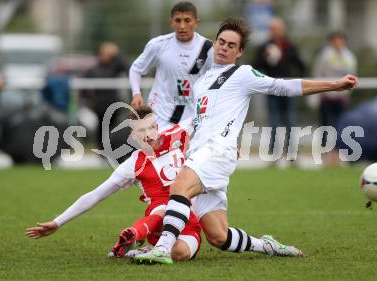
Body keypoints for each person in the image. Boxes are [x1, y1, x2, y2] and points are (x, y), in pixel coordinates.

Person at [135, 17, 358, 264]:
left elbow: (282, 86)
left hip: (216, 153)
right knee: (218, 236)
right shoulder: (203, 82)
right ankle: (266, 245)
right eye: (221, 42)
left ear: (239, 52)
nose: (224, 47)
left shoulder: (243, 74)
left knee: (180, 187)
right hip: (204, 153)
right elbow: (199, 122)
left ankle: (162, 248)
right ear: (215, 43)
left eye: (231, 45)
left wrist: (334, 85)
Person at [26, 106, 202, 262]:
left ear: (157, 127)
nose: (147, 134)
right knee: (164, 206)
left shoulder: (178, 134)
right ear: (133, 135)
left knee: (180, 254)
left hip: (189, 220)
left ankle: (141, 245)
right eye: (141, 131)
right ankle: (135, 235)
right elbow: (96, 194)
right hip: (158, 222)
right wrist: (58, 222)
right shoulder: (132, 164)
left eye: (151, 128)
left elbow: (205, 114)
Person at [129, 1, 213, 131]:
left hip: (192, 117)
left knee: (190, 152)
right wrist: (136, 93)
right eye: (178, 20)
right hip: (160, 114)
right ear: (171, 22)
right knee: (156, 150)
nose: (182, 26)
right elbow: (136, 69)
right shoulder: (158, 45)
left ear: (197, 22)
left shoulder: (208, 48)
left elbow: (217, 79)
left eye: (187, 20)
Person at [253, 17, 305, 158]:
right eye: (272, 29)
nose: (275, 32)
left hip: (288, 90)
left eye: (277, 29)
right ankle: (274, 153)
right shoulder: (264, 47)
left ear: (283, 30)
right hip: (272, 89)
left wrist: (296, 81)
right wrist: (265, 58)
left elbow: (300, 65)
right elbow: (255, 66)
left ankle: (291, 152)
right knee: (274, 122)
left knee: (290, 121)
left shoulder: (289, 46)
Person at [313, 31, 357, 165]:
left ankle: (339, 154)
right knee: (326, 126)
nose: (338, 42)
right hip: (326, 96)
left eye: (340, 39)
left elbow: (352, 74)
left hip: (341, 97)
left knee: (341, 126)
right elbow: (318, 73)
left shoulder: (349, 56)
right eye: (335, 40)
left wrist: (347, 92)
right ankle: (326, 154)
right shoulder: (325, 55)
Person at [82, 42, 128, 150]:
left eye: (109, 55)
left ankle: (113, 151)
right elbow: (84, 87)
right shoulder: (93, 70)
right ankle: (102, 152)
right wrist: (90, 102)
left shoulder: (115, 67)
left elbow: (126, 66)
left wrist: (117, 54)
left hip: (114, 104)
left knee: (114, 129)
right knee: (101, 129)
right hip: (99, 106)